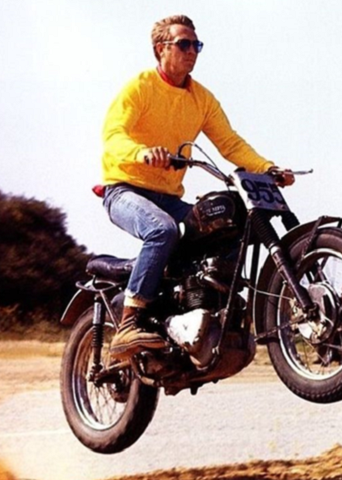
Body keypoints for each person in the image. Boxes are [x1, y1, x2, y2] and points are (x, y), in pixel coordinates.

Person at [101, 14, 295, 360]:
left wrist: (267, 168)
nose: (192, 51)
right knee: (162, 230)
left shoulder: (201, 98)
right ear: (161, 49)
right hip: (124, 190)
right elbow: (113, 136)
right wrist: (142, 153)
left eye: (196, 45)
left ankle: (204, 308)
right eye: (184, 44)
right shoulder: (140, 87)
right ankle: (129, 323)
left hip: (169, 197)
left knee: (226, 227)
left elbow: (230, 143)